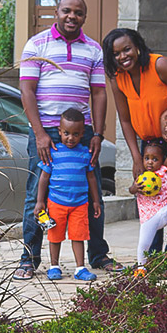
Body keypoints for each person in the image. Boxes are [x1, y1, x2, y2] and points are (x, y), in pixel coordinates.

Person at [15, 0, 124, 281]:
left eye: (78, 12)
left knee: (92, 192)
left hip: (83, 131)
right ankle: (29, 258)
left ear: (84, 17)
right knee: (35, 195)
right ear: (57, 12)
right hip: (47, 132)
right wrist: (39, 134)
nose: (71, 16)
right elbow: (27, 91)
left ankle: (98, 255)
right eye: (66, 11)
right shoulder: (36, 44)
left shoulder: (93, 50)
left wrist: (98, 134)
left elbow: (99, 92)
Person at [103, 28, 167, 278]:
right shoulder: (118, 78)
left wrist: (166, 114)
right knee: (151, 197)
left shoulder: (160, 65)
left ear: (137, 46)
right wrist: (136, 157)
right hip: (149, 143)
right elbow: (125, 121)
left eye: (127, 49)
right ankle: (153, 259)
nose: (123, 56)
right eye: (116, 53)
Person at [36, 108, 103, 282]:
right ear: (59, 131)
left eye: (75, 134)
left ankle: (80, 268)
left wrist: (96, 201)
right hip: (56, 202)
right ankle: (54, 266)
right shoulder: (53, 152)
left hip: (80, 203)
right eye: (66, 133)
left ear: (82, 134)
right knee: (55, 236)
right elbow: (44, 177)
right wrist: (39, 202)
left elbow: (91, 179)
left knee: (79, 236)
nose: (70, 138)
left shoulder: (84, 154)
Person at [130, 138, 167, 267]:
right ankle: (141, 267)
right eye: (147, 158)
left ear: (161, 160)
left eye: (155, 159)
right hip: (150, 218)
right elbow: (131, 189)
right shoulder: (141, 176)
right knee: (144, 243)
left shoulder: (163, 170)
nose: (150, 162)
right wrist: (135, 188)